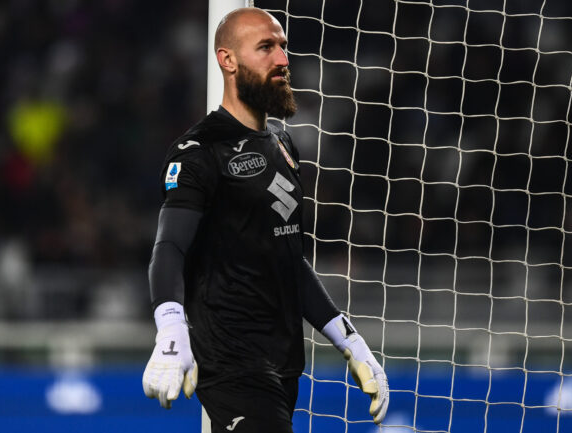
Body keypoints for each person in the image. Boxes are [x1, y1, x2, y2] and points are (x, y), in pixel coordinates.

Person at [142, 7, 389, 433]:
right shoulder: (199, 150)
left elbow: (288, 258)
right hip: (232, 362)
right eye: (266, 47)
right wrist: (169, 328)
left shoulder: (284, 144)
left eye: (283, 47)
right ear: (228, 60)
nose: (282, 59)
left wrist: (348, 339)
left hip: (284, 365)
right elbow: (169, 247)